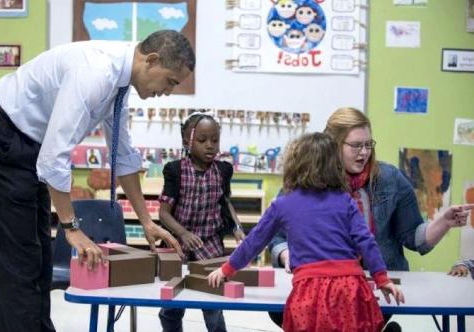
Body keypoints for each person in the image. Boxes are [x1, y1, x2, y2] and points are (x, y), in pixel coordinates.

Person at [0, 29, 193, 331]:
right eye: (170, 81)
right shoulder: (96, 72)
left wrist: (146, 221)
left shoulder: (120, 84)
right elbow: (54, 156)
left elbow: (121, 154)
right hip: (0, 137)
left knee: (38, 260)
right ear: (151, 60)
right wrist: (71, 228)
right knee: (17, 264)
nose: (168, 91)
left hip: (28, 144)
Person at [267, 107, 473, 330]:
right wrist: (288, 255)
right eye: (356, 145)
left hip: (374, 288)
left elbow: (414, 238)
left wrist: (443, 221)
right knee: (282, 311)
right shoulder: (306, 181)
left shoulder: (390, 178)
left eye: (368, 144)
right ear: (333, 145)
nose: (364, 153)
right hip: (319, 286)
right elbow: (277, 239)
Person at [208, 132, 404, 332]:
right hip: (350, 288)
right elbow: (366, 241)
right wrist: (382, 279)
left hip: (309, 293)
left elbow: (254, 242)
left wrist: (227, 269)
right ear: (335, 166)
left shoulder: (283, 204)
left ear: (294, 165)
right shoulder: (345, 201)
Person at [157, 112, 246, 332]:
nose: (210, 146)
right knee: (172, 306)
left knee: (213, 304)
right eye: (202, 140)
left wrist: (237, 227)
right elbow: (163, 213)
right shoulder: (175, 170)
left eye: (215, 140)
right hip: (178, 244)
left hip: (210, 244)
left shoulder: (223, 170)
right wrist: (183, 233)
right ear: (187, 141)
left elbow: (225, 201)